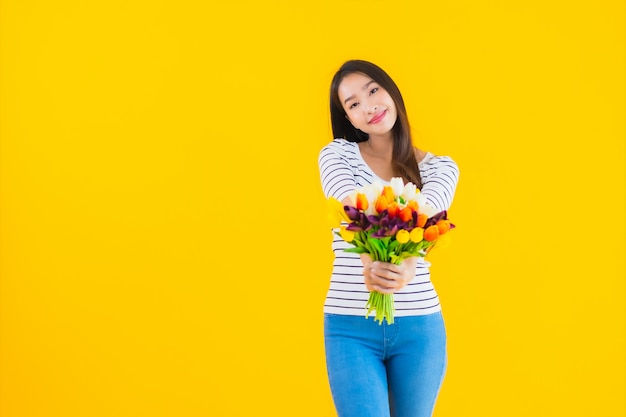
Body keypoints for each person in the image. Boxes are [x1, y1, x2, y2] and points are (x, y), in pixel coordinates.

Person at [318, 60, 460, 417]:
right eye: (352, 104)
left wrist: (407, 267)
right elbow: (348, 203)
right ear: (348, 119)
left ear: (390, 90)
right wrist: (371, 262)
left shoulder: (440, 168)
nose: (368, 106)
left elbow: (426, 219)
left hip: (420, 328)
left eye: (373, 90)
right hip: (350, 326)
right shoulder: (336, 155)